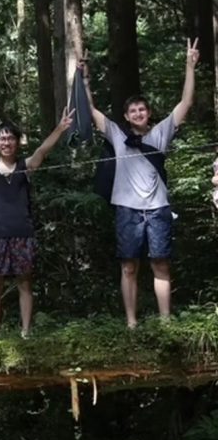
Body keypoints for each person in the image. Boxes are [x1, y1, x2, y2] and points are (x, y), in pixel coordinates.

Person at [83, 39, 198, 327]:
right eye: (132, 111)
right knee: (129, 267)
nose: (138, 114)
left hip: (158, 207)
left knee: (160, 264)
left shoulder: (160, 134)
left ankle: (165, 321)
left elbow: (186, 104)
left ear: (148, 113)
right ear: (126, 116)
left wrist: (189, 66)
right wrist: (84, 80)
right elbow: (92, 112)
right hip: (127, 209)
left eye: (142, 110)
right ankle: (132, 322)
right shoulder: (118, 137)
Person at [0, 94, 74, 338]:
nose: (7, 142)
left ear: (17, 143)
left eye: (10, 138)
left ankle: (26, 332)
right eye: (2, 139)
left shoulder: (25, 167)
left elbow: (43, 150)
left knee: (25, 283)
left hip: (22, 233)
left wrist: (60, 129)